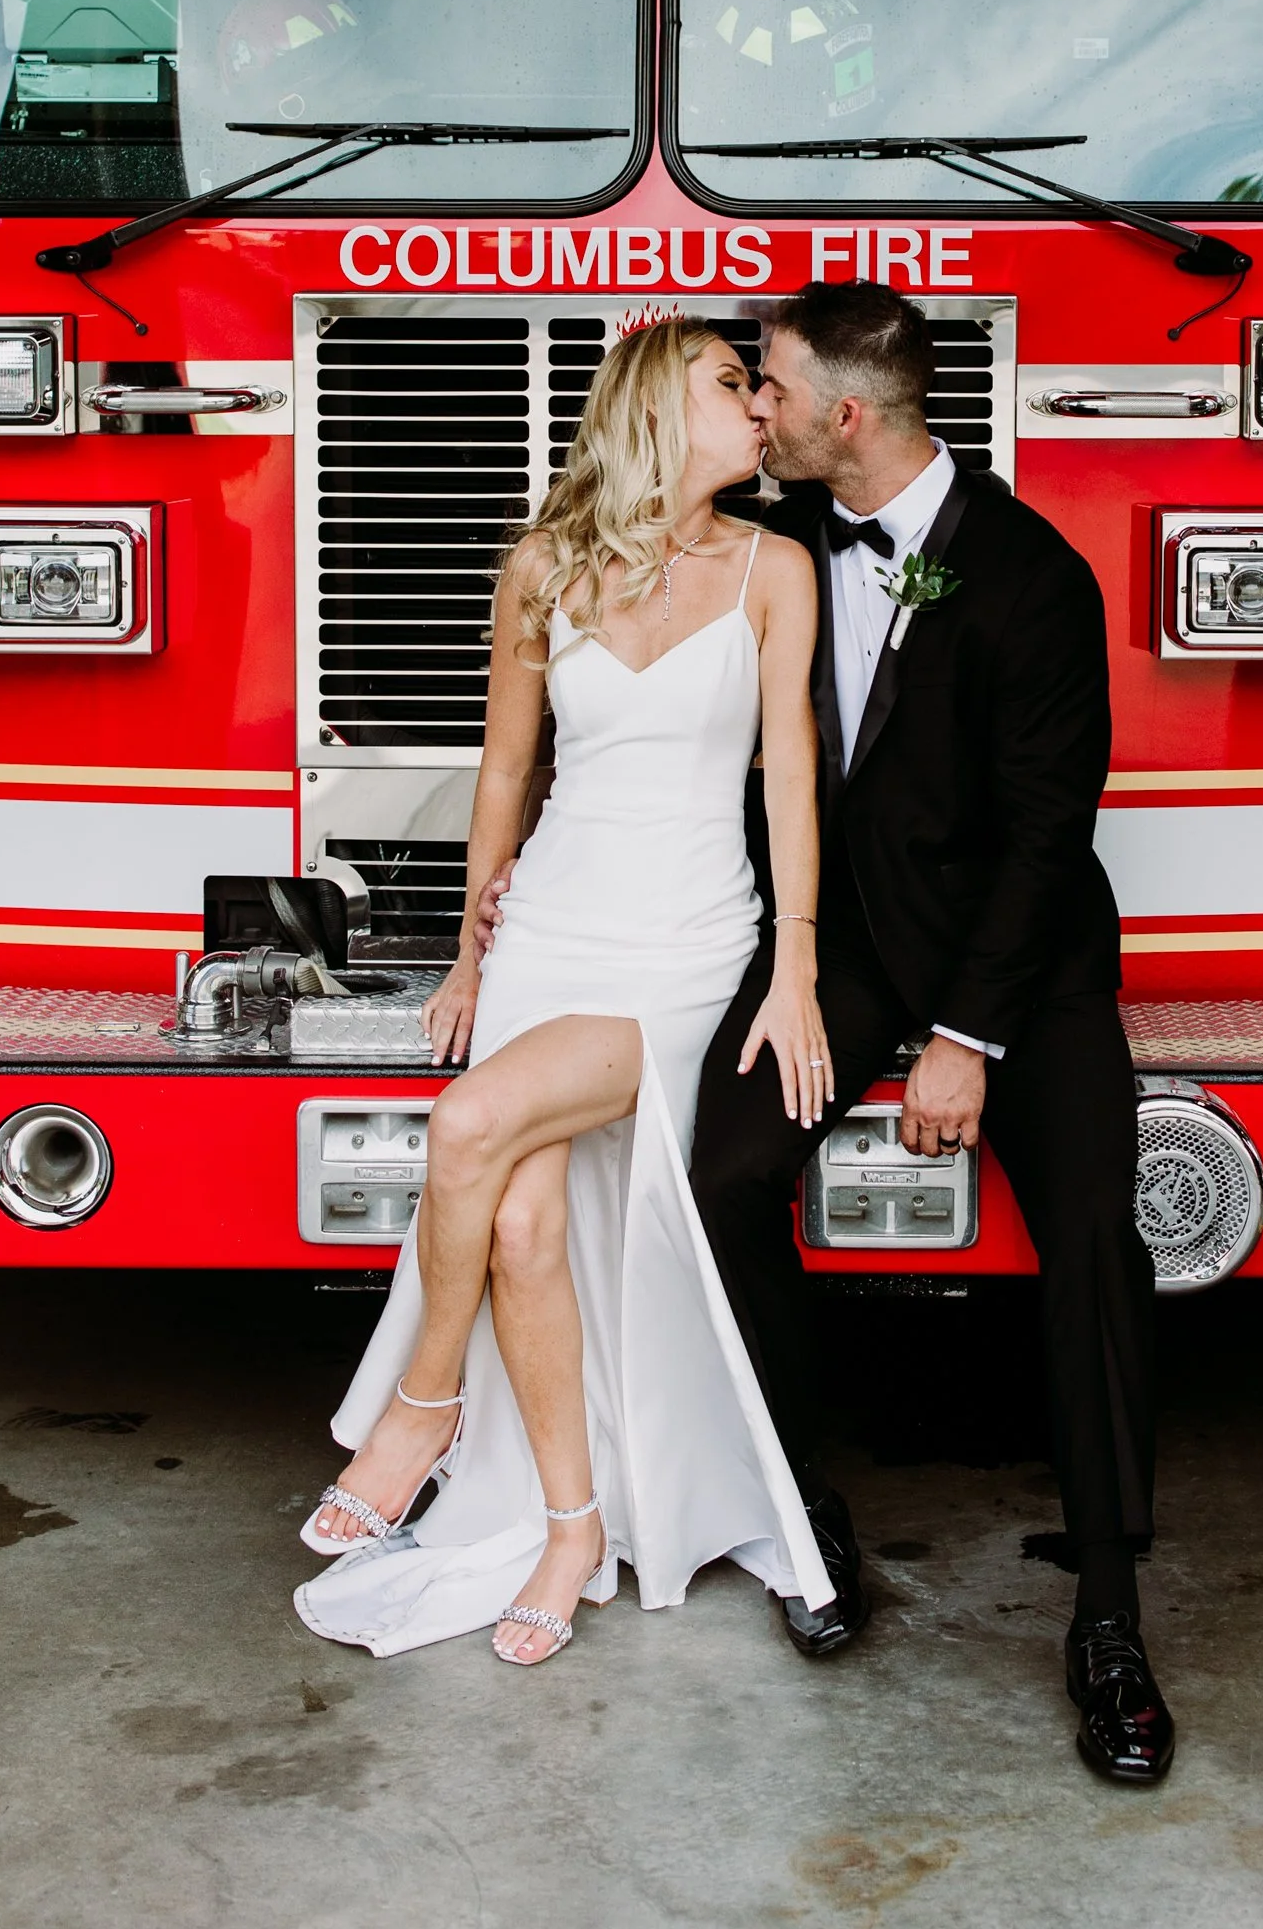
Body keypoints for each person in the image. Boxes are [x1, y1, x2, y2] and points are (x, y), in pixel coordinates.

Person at [688, 280, 1174, 1785]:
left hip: (1014, 968)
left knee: (1095, 1220)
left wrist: (967, 1035)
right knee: (720, 1170)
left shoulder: (1032, 578)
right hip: (840, 954)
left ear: (845, 412)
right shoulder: (771, 550)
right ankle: (800, 1503)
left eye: (766, 385)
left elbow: (1045, 839)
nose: (752, 407)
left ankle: (1106, 1611)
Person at [294, 317, 835, 1664]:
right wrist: (474, 955)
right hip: (550, 932)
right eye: (732, 386)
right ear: (660, 402)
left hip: (683, 948)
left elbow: (787, 779)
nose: (762, 411)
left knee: (469, 1128)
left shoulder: (774, 569)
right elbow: (502, 773)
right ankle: (570, 1521)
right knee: (524, 1230)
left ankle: (421, 1408)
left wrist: (800, 966)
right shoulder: (542, 567)